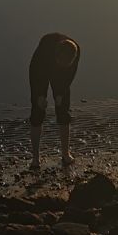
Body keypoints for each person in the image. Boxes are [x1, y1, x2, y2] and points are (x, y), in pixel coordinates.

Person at [28, 32, 80, 170]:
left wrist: (60, 93)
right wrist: (40, 96)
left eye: (66, 64)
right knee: (37, 111)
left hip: (61, 76)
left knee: (63, 110)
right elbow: (35, 75)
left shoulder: (75, 51)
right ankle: (35, 159)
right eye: (61, 63)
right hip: (40, 70)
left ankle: (66, 154)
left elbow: (70, 75)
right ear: (56, 57)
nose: (63, 65)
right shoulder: (44, 54)